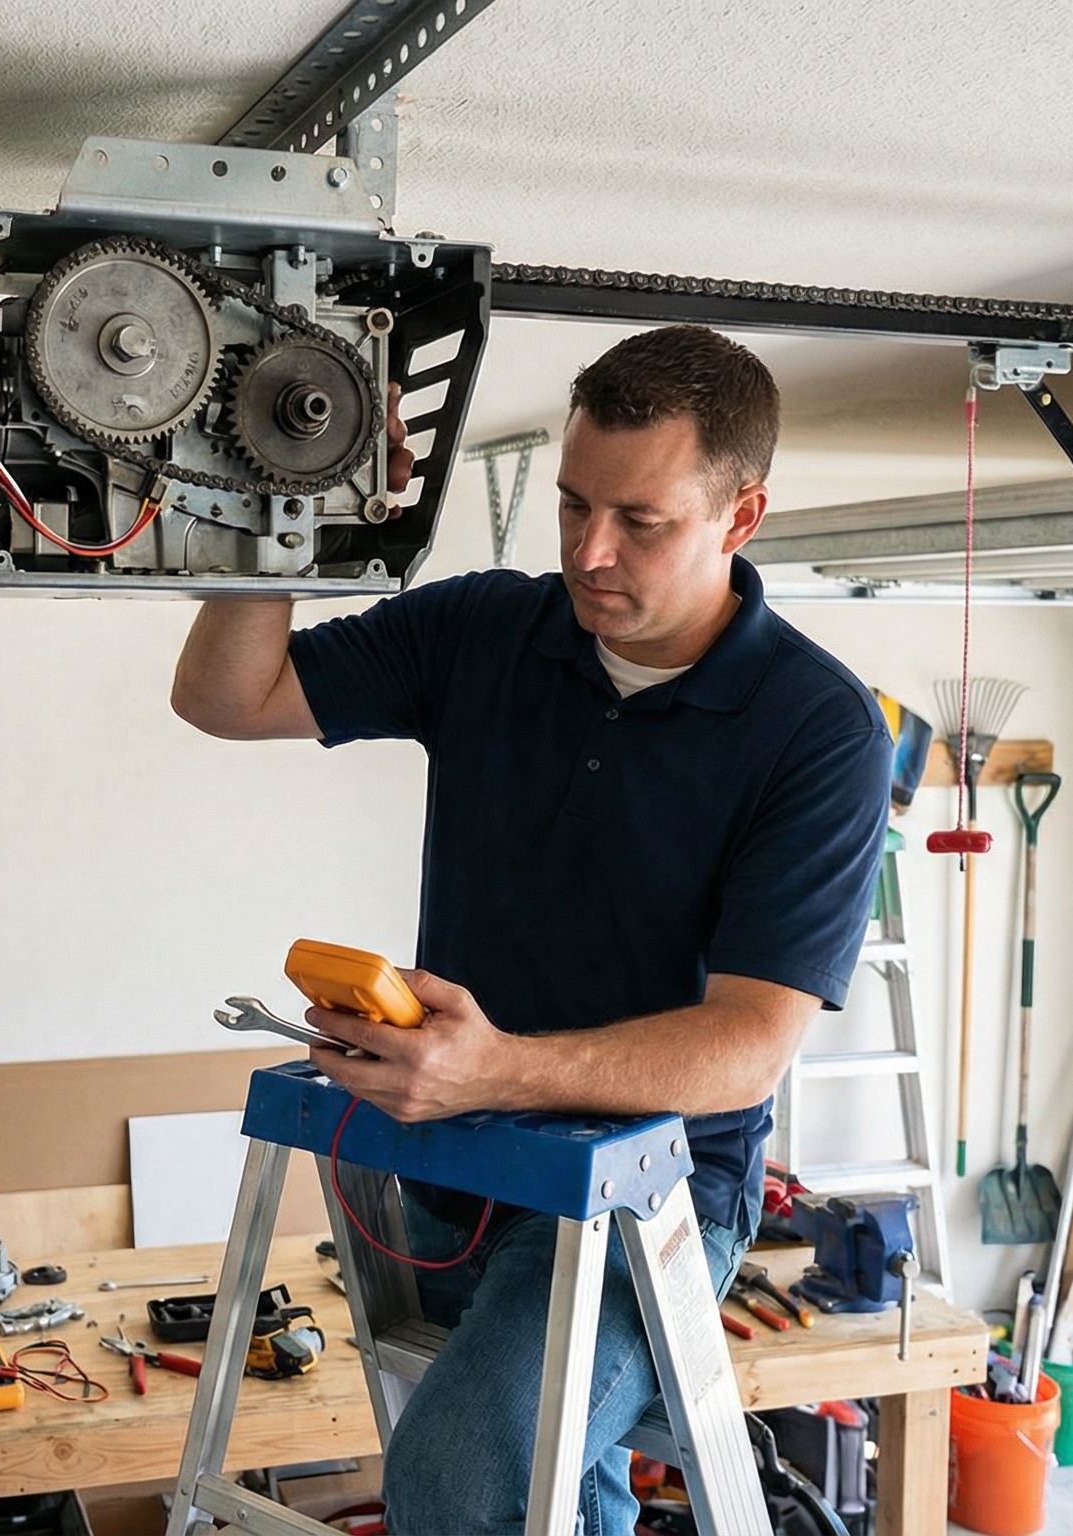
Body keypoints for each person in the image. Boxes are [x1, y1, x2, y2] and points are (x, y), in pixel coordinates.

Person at [171, 324, 893, 1535]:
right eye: (571, 507)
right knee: (552, 1484)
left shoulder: (817, 730)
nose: (589, 553)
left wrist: (495, 1068)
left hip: (648, 1201)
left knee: (460, 1471)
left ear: (741, 516)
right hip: (452, 1171)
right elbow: (222, 696)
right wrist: (271, 500)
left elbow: (748, 1046)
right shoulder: (488, 630)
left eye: (640, 521)